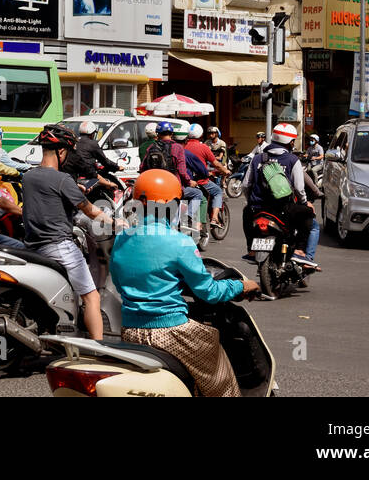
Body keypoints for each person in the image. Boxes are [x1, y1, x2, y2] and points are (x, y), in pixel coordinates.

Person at [110, 170, 259, 397]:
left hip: (130, 331)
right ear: (168, 204)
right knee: (221, 379)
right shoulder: (180, 242)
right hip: (172, 331)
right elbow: (209, 292)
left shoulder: (121, 238)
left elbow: (121, 283)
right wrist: (242, 286)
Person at [21, 124, 113, 341]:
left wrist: (73, 191)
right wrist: (115, 221)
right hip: (59, 247)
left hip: (32, 246)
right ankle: (99, 347)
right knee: (91, 297)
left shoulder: (28, 177)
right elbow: (90, 211)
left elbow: (47, 199)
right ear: (61, 151)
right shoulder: (63, 179)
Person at [242, 124, 316, 290]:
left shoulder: (257, 158)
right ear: (290, 142)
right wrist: (305, 203)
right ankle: (300, 251)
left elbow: (246, 185)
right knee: (308, 214)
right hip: (283, 210)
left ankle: (251, 249)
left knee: (246, 211)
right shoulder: (292, 160)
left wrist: (252, 202)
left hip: (258, 209)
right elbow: (299, 188)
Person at [142, 122, 204, 234]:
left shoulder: (151, 147)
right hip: (172, 189)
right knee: (197, 194)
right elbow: (182, 171)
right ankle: (187, 219)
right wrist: (189, 182)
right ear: (171, 134)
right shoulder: (177, 148)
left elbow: (142, 168)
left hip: (153, 189)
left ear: (158, 134)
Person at [184, 124, 224, 227]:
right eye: (210, 133)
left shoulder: (183, 147)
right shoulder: (204, 146)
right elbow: (215, 163)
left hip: (185, 180)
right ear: (201, 135)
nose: (211, 135)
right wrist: (226, 171)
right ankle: (214, 219)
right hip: (200, 180)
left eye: (213, 133)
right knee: (218, 191)